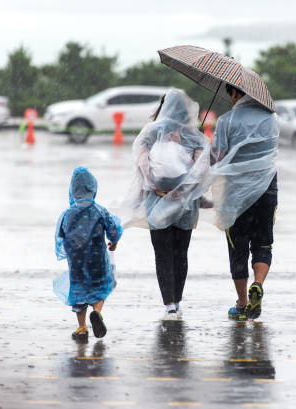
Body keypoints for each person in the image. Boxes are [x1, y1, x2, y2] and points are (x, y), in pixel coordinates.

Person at [132, 89, 209, 319]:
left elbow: (142, 164)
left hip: (157, 201)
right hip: (185, 204)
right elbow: (200, 170)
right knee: (180, 253)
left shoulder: (150, 133)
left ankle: (169, 303)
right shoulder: (193, 135)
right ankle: (178, 297)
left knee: (162, 254)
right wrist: (182, 191)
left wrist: (155, 187)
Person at [212, 83, 279, 321]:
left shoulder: (226, 121)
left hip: (236, 194)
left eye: (229, 94)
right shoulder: (271, 118)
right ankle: (258, 284)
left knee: (237, 246)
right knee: (263, 242)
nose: (229, 99)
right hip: (267, 190)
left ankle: (242, 304)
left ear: (236, 93)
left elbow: (217, 158)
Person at [54, 167, 123, 341]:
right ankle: (97, 313)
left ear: (72, 191)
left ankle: (82, 327)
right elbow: (113, 229)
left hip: (76, 261)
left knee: (78, 290)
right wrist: (113, 242)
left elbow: (60, 236)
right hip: (97, 259)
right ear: (93, 189)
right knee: (101, 286)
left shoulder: (67, 214)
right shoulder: (100, 211)